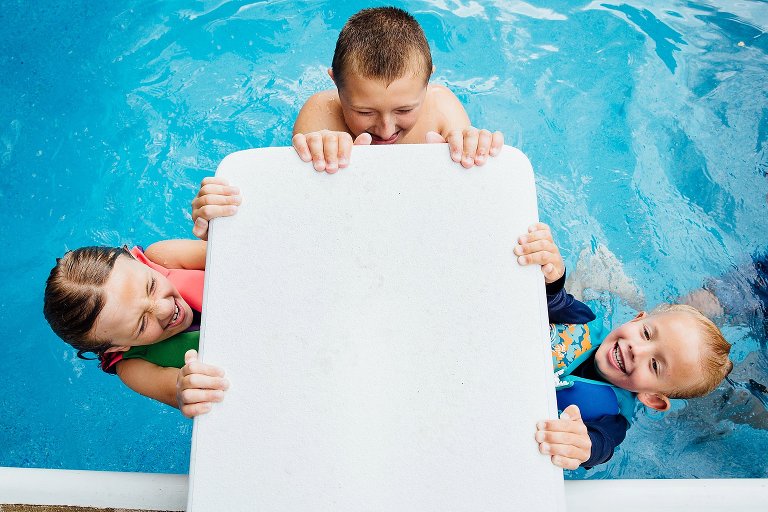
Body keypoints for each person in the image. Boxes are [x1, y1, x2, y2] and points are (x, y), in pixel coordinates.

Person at [514, 223, 734, 469]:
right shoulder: (583, 320)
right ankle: (598, 277)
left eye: (654, 364)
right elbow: (553, 300)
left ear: (652, 398)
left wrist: (582, 445)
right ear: (636, 319)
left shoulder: (613, 418)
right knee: (568, 294)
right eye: (646, 333)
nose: (636, 350)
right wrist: (553, 274)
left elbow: (601, 446)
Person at [292, 6, 504, 174]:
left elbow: (472, 180)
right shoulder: (321, 113)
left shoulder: (442, 108)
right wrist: (320, 152)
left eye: (404, 110)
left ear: (427, 82)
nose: (385, 130)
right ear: (336, 83)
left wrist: (471, 146)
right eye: (364, 112)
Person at [43, 239, 229, 418]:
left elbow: (238, 247)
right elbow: (179, 391)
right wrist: (186, 388)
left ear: (136, 261)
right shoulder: (134, 369)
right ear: (117, 347)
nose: (165, 309)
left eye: (151, 286)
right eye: (142, 324)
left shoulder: (164, 257)